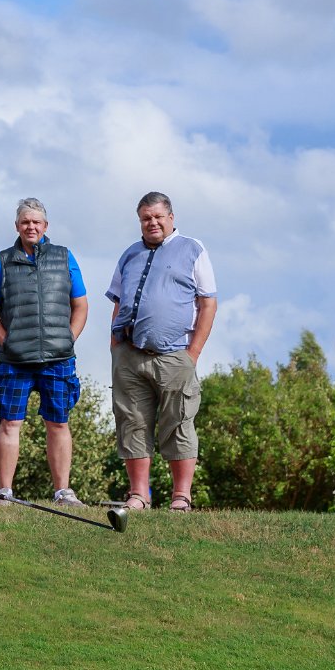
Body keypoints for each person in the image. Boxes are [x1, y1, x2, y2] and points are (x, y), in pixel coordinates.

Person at [105, 191, 217, 512]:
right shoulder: (129, 254)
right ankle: (139, 495)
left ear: (171, 217)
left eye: (157, 217)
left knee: (179, 421)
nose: (152, 222)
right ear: (139, 221)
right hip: (130, 354)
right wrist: (115, 348)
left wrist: (192, 354)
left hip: (175, 355)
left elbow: (208, 302)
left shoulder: (192, 250)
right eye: (145, 218)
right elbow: (117, 301)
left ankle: (181, 496)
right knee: (132, 422)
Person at [0, 198, 90, 507]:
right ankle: (4, 492)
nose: (31, 226)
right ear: (17, 226)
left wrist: (69, 338)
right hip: (15, 360)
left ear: (45, 226)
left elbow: (80, 305)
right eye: (25, 222)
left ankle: (63, 492)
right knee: (9, 423)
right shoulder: (2, 260)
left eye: (36, 222)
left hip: (58, 359)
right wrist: (6, 341)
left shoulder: (65, 257)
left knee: (58, 423)